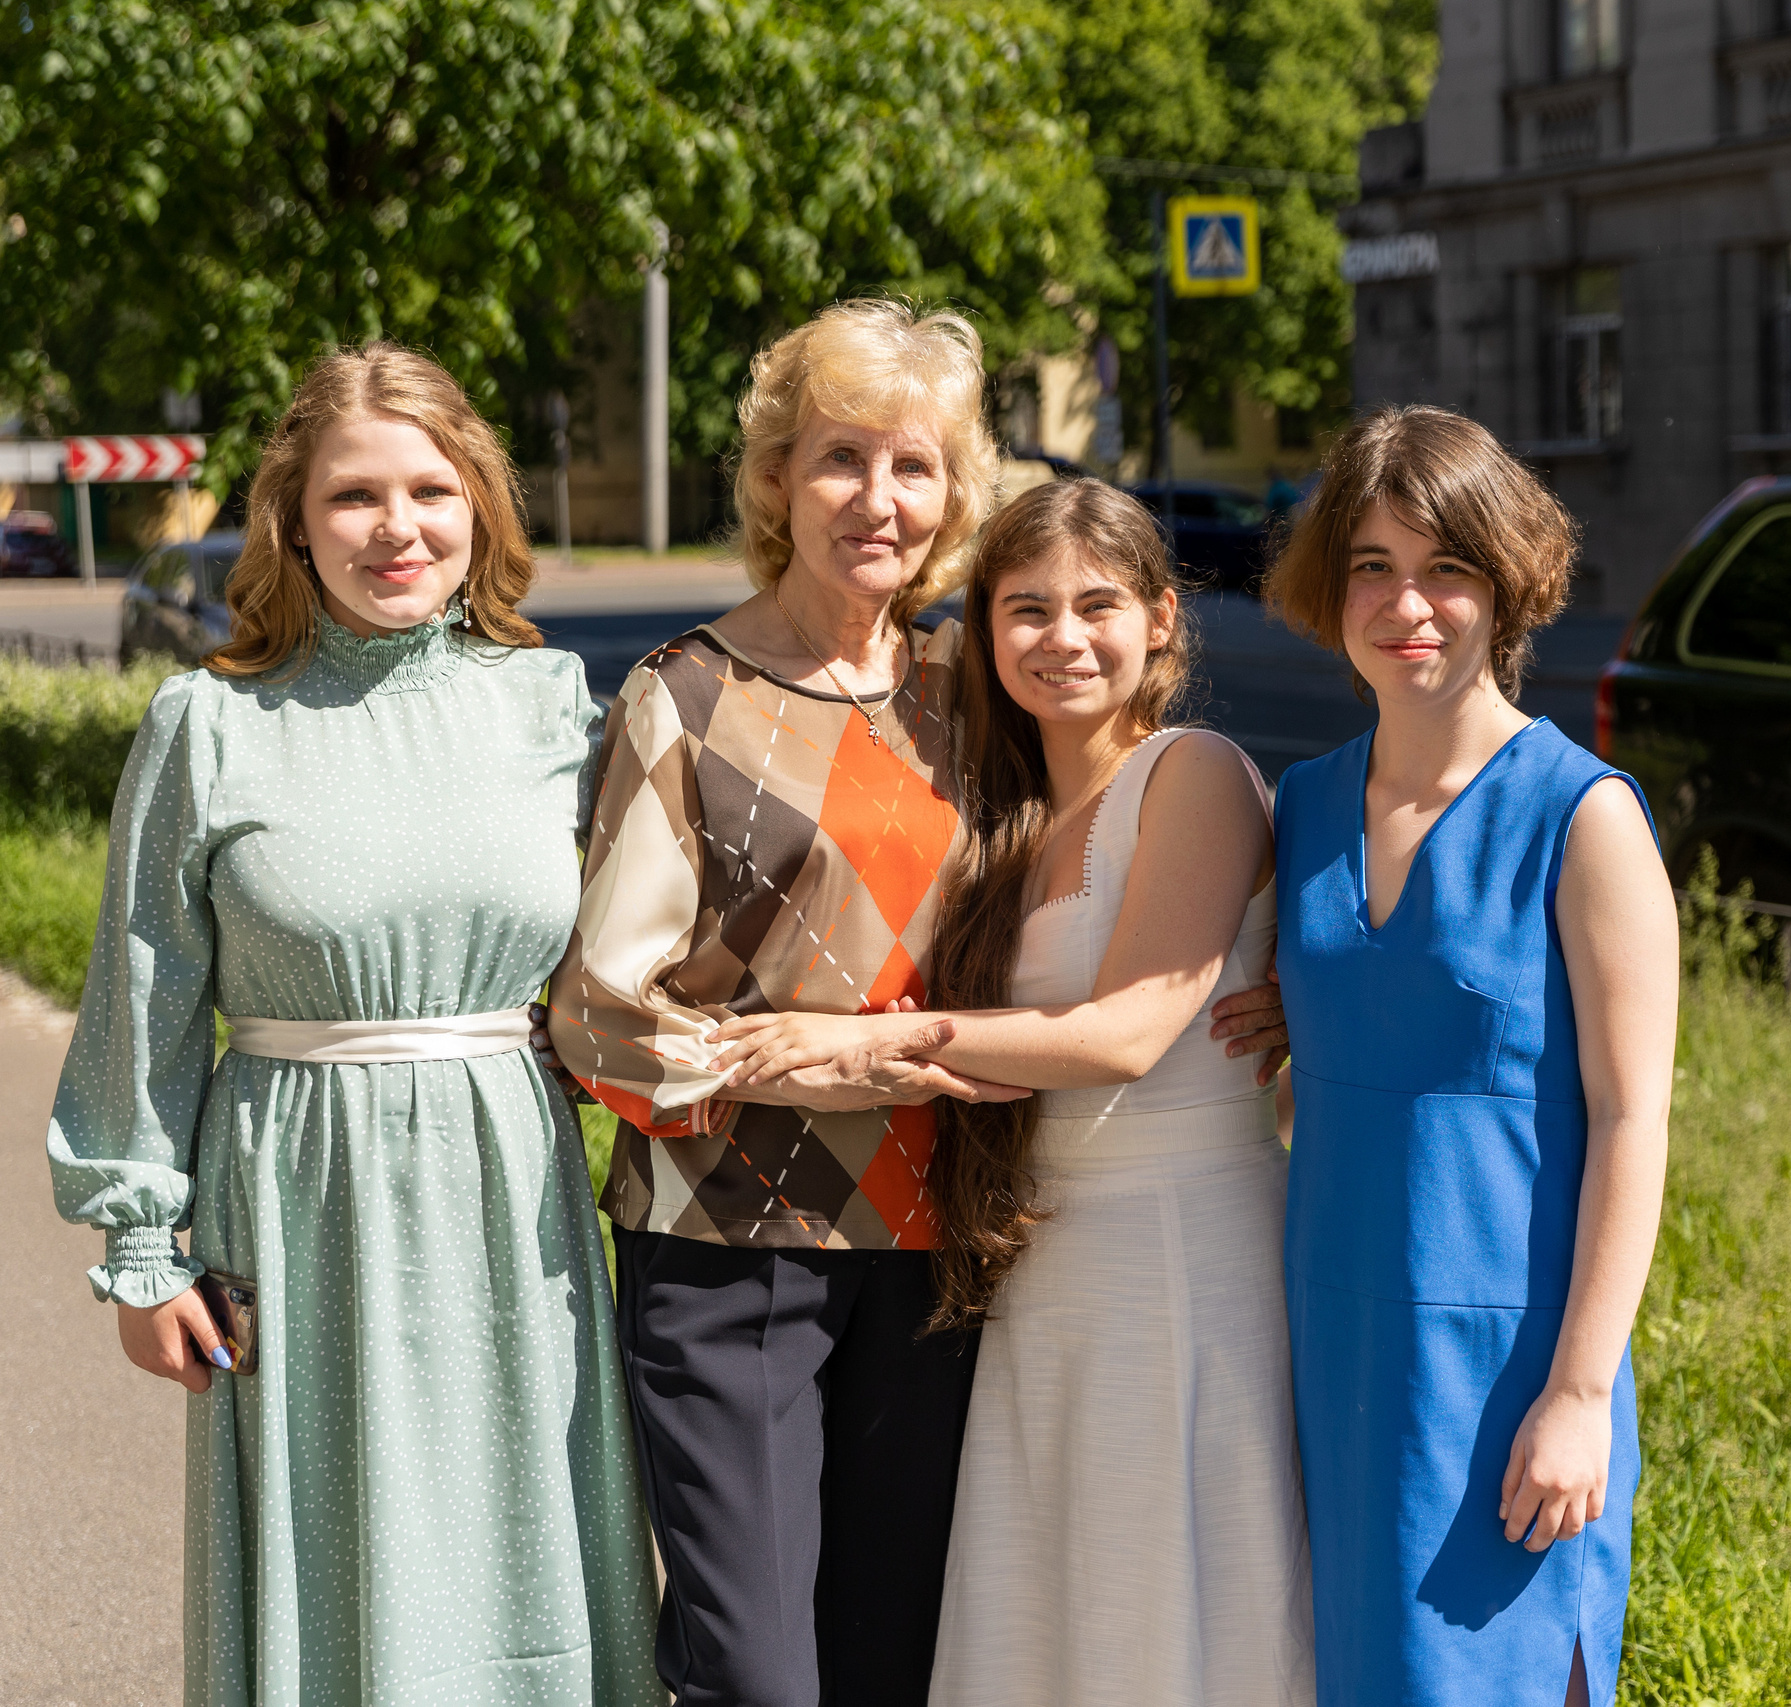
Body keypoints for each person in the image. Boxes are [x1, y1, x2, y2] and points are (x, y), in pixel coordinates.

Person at [549, 301, 1288, 1707]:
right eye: (840, 459)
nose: (876, 501)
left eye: (914, 465)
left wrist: (1285, 985)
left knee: (898, 1660)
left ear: (953, 492)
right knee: (757, 1673)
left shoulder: (968, 690)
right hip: (732, 1233)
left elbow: (1131, 871)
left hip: (945, 1247)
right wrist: (794, 1071)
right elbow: (597, 1010)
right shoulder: (684, 693)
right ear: (777, 478)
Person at [45, 342, 664, 1705]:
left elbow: (636, 957)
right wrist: (142, 1245)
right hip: (299, 1197)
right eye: (355, 497)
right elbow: (143, 992)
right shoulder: (207, 724)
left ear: (481, 509)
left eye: (433, 490)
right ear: (293, 521)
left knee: (519, 1549)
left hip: (512, 1195)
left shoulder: (554, 707)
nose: (399, 528)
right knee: (336, 1569)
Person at [711, 478, 1312, 1707]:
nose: (1063, 637)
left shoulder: (1189, 771)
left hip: (1179, 1250)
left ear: (1162, 622)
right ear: (984, 631)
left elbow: (1133, 1030)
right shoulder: (1013, 815)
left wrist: (865, 1045)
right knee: (1052, 1600)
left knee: (1166, 1593)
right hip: (1045, 1249)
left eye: (1098, 605)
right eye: (1025, 608)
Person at [1263, 405, 1676, 1707]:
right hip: (1334, 1349)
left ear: (1509, 582)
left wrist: (1578, 1390)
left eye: (1447, 566)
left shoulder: (1584, 815)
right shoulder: (1306, 804)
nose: (1408, 605)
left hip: (1509, 1369)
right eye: (1372, 566)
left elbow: (1631, 1119)